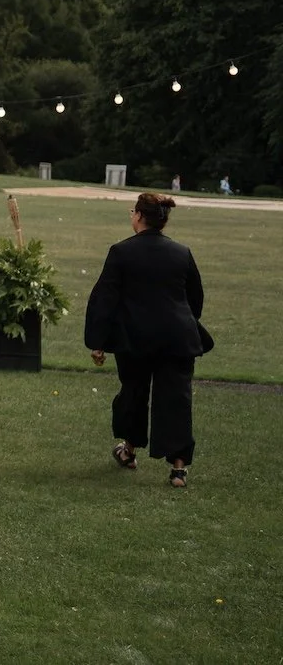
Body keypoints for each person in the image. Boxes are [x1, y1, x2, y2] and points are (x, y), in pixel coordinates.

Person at [85, 192, 212, 488]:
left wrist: (98, 341)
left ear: (139, 216)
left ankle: (128, 451)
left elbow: (105, 299)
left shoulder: (121, 252)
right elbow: (195, 297)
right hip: (178, 337)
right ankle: (178, 469)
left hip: (135, 337)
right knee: (177, 399)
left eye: (133, 211)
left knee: (133, 393)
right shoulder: (182, 252)